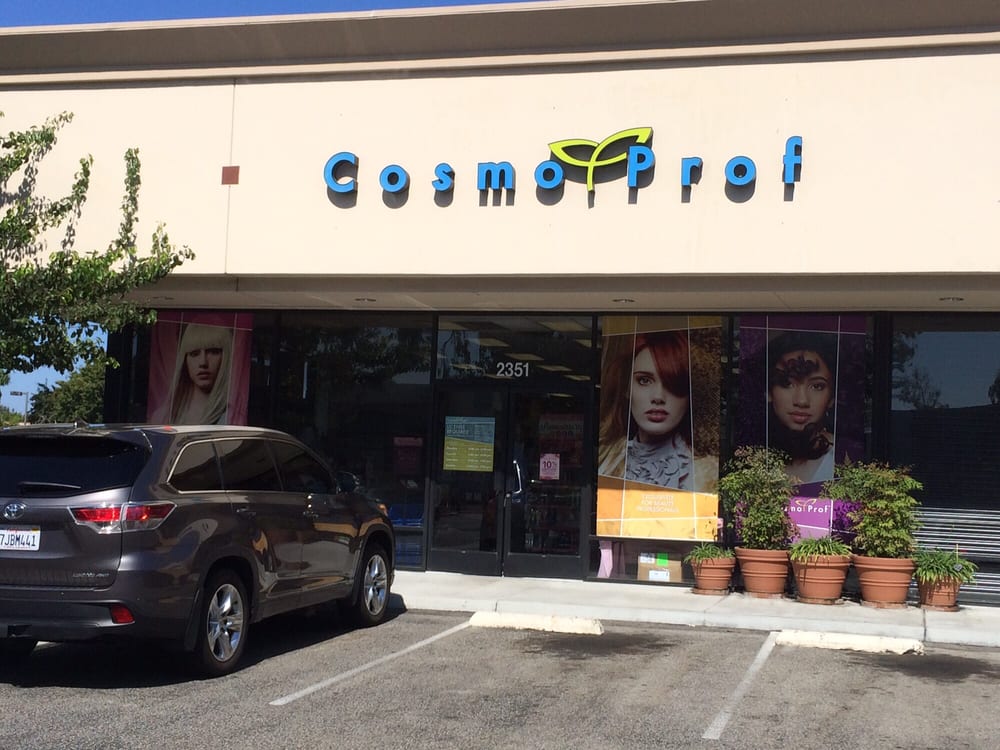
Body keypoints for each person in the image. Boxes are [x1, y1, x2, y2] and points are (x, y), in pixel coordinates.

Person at [599, 330, 693, 489]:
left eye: (672, 382)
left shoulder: (703, 473)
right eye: (644, 380)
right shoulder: (607, 457)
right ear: (627, 388)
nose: (658, 397)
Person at [766, 330, 838, 484]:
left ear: (832, 398)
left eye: (817, 386)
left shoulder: (845, 455)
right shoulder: (750, 455)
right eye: (787, 383)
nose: (802, 400)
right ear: (768, 392)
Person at [161, 323, 233, 425]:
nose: (203, 362)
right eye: (194, 354)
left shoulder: (233, 417)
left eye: (213, 352)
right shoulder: (164, 415)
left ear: (226, 356)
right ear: (184, 359)